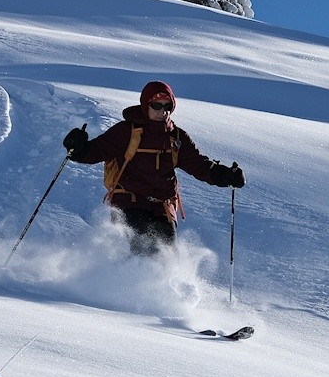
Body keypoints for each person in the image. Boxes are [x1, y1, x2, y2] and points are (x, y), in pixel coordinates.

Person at [62, 80, 244, 252]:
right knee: (143, 248)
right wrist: (78, 148)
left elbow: (198, 165)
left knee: (166, 255)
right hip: (129, 201)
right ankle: (123, 274)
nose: (162, 111)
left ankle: (164, 277)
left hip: (162, 206)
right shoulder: (126, 131)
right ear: (145, 105)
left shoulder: (177, 137)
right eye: (156, 105)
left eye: (167, 106)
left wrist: (224, 175)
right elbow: (95, 152)